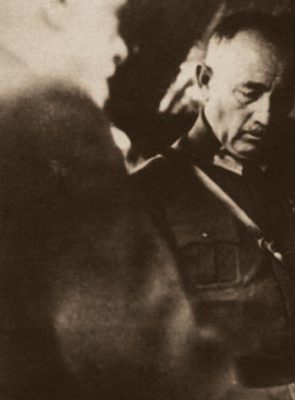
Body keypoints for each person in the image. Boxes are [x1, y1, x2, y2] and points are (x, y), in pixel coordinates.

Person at [0, 1, 229, 399]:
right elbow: (147, 358)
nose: (121, 48)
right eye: (113, 16)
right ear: (57, 6)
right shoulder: (49, 122)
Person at [135, 11, 295, 400]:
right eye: (249, 93)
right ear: (205, 81)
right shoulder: (150, 194)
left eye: (282, 97)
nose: (266, 116)